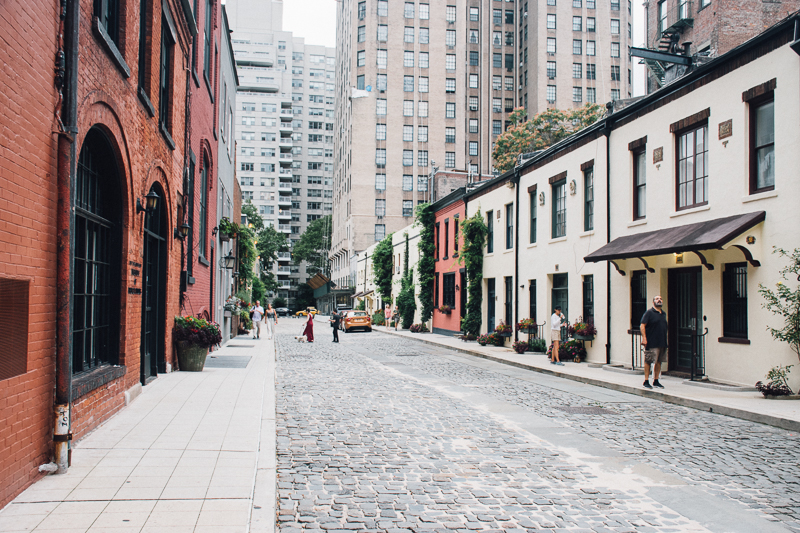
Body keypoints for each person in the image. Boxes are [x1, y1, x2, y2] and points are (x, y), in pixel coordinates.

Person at [640, 295, 667, 389]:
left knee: (659, 361)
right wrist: (644, 338)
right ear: (653, 302)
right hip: (652, 341)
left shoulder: (663, 314)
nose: (659, 300)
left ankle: (656, 380)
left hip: (662, 341)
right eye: (657, 299)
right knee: (649, 361)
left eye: (660, 298)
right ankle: (646, 381)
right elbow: (642, 325)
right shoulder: (649, 313)